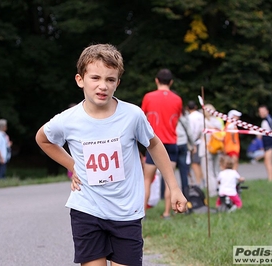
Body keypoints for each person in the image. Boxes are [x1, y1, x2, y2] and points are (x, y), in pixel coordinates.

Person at [35, 43, 187, 266]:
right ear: (80, 80)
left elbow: (154, 145)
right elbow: (43, 139)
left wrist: (174, 188)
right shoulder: (68, 119)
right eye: (95, 78)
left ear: (118, 83)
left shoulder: (132, 115)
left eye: (110, 79)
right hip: (87, 209)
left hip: (126, 213)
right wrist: (73, 165)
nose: (102, 86)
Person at [141, 68, 183, 219]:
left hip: (153, 144)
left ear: (156, 80)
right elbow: (177, 118)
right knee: (169, 179)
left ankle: (143, 212)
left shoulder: (148, 97)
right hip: (171, 143)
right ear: (171, 82)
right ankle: (167, 213)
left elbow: (142, 117)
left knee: (147, 179)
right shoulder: (178, 99)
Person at [200, 104, 223, 196]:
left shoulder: (203, 122)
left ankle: (212, 192)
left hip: (206, 148)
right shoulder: (217, 122)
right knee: (216, 170)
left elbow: (197, 134)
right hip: (216, 148)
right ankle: (220, 189)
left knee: (208, 171)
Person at [176, 107, 195, 201]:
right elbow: (189, 130)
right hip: (182, 143)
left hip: (170, 142)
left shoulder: (167, 113)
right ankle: (185, 194)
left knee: (167, 170)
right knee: (184, 170)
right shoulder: (182, 114)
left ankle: (165, 194)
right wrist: (192, 144)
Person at [187, 101, 204, 187]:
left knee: (194, 163)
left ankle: (198, 182)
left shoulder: (189, 117)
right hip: (203, 140)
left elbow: (192, 131)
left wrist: (192, 143)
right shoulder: (201, 115)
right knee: (201, 162)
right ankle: (203, 179)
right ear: (196, 107)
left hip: (195, 142)